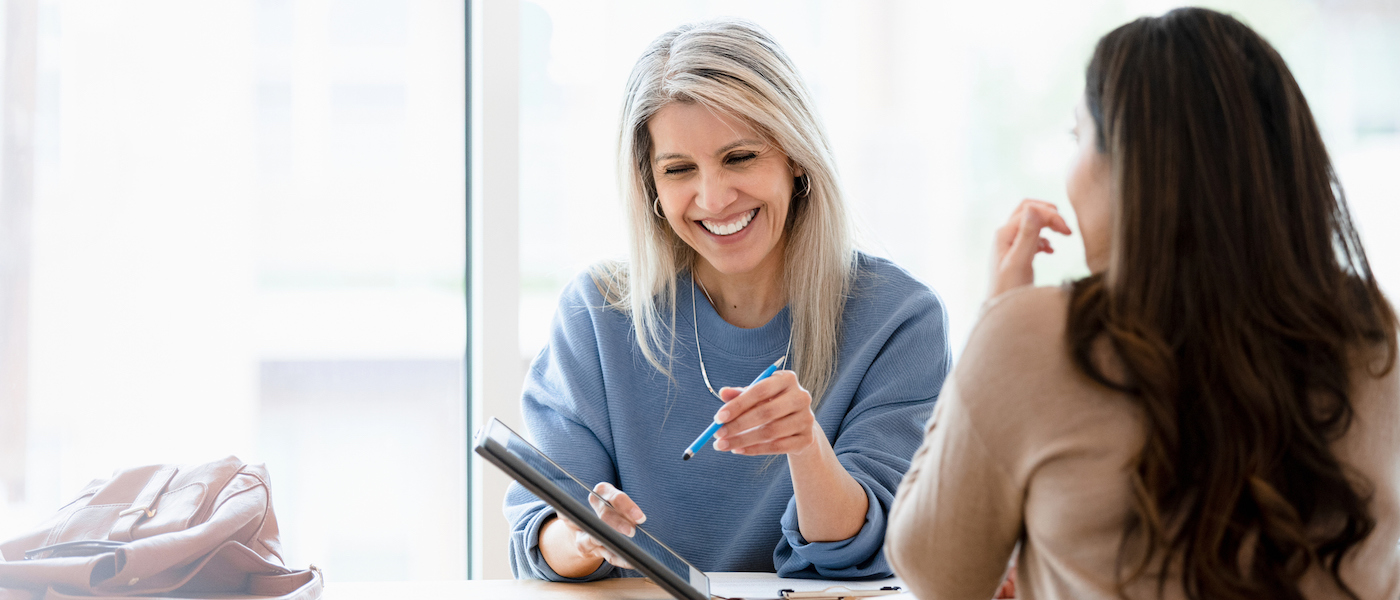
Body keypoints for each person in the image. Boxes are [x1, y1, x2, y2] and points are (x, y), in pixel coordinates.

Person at [886, 7, 1399, 600]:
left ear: (1128, 164)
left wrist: (995, 318)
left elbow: (938, 573)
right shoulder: (1368, 331)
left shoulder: (1032, 335)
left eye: (1078, 136)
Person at [505, 18, 951, 581]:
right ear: (651, 188)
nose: (713, 198)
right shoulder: (596, 313)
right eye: (679, 170)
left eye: (740, 158)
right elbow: (538, 536)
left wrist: (807, 446)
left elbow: (868, 550)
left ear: (795, 157)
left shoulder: (899, 321)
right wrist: (583, 534)